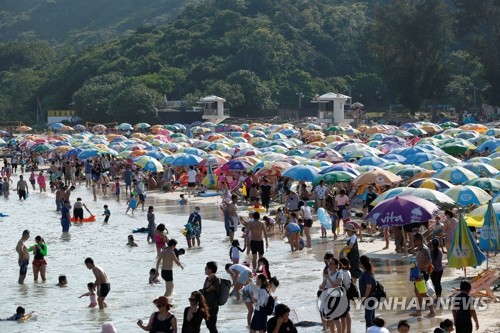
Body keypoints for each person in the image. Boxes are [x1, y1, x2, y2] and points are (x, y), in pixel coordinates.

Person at [410, 233, 436, 318]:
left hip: (422, 273)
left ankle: (432, 311)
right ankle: (419, 311)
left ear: (420, 240)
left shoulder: (424, 249)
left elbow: (429, 261)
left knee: (423, 293)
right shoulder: (420, 249)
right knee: (417, 293)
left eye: (415, 240)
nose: (413, 242)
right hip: (418, 273)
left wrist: (419, 266)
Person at [202, 261, 220, 333]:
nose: (205, 269)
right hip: (206, 305)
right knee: (208, 325)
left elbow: (208, 289)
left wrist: (209, 280)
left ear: (211, 269)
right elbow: (205, 289)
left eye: (206, 268)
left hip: (213, 306)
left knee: (212, 326)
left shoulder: (216, 279)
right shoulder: (207, 278)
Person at [359, 255, 376, 329]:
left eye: (359, 262)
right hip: (371, 297)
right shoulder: (368, 272)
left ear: (363, 263)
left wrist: (364, 298)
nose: (358, 263)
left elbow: (368, 287)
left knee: (368, 318)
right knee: (371, 317)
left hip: (369, 298)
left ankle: (369, 331)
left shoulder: (366, 274)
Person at [430, 238, 444, 303]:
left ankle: (437, 297)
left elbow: (430, 262)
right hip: (440, 269)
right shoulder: (440, 251)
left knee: (435, 284)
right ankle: (439, 296)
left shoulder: (431, 252)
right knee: (438, 283)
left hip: (433, 270)